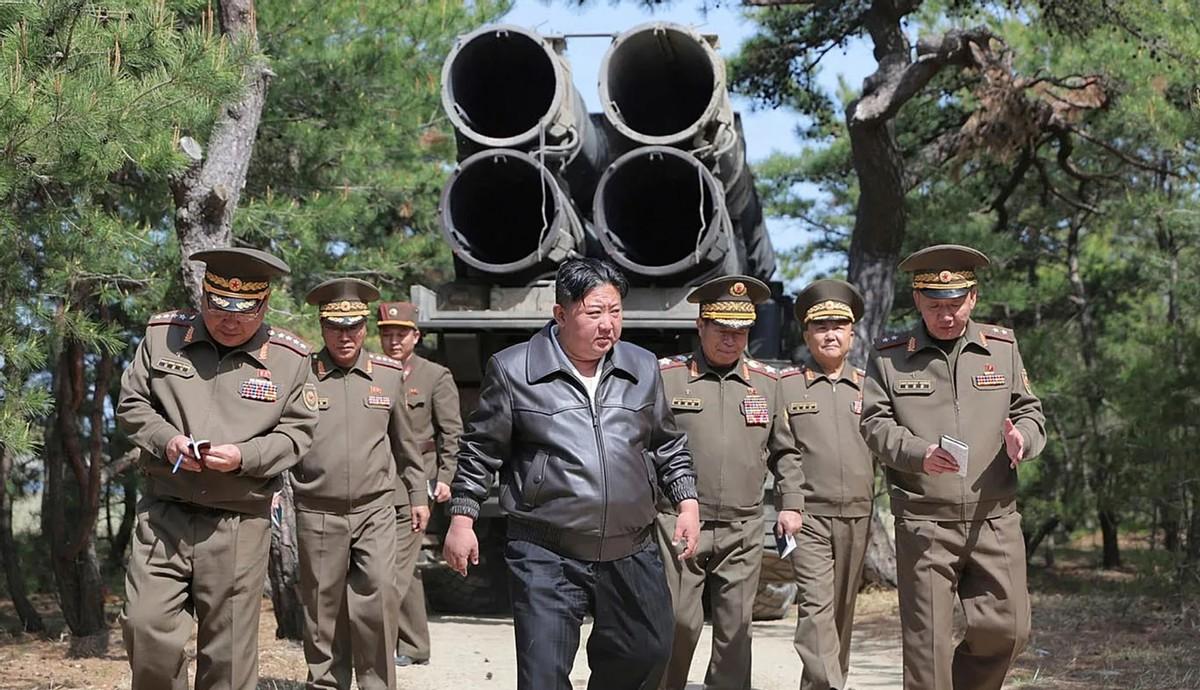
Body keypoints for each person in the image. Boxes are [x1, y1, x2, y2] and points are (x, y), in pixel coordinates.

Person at [444, 258, 701, 690]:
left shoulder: (641, 366)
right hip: (547, 551)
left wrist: (687, 502)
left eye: (615, 311)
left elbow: (666, 443)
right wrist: (462, 518)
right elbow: (480, 449)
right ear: (560, 314)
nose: (608, 324)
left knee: (647, 653)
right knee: (543, 674)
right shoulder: (514, 369)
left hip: (631, 547)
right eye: (594, 312)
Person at [117, 247, 318, 690]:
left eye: (243, 312)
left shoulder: (290, 358)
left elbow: (297, 435)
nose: (229, 321)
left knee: (227, 657)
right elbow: (132, 405)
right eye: (218, 307)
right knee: (145, 627)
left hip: (238, 523)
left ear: (264, 305)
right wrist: (166, 441)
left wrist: (245, 457)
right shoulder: (163, 336)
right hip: (165, 514)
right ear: (204, 296)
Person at [860, 244, 1047, 690]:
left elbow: (1030, 411)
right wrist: (918, 453)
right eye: (934, 306)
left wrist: (1023, 439)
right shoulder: (889, 356)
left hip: (994, 517)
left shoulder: (1001, 348)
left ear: (973, 298)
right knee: (927, 650)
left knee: (1009, 630)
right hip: (924, 522)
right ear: (917, 301)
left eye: (955, 304)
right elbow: (873, 423)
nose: (945, 316)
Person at [655, 275, 799, 690]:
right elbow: (645, 444)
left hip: (742, 526)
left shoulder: (767, 383)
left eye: (741, 331)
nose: (731, 340)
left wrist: (791, 504)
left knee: (735, 630)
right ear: (700, 325)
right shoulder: (667, 377)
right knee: (679, 622)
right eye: (722, 330)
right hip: (680, 523)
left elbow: (786, 451)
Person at [293, 278, 427, 690]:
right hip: (318, 510)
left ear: (365, 328)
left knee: (381, 596)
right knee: (323, 611)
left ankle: (377, 684)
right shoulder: (301, 373)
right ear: (322, 327)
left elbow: (405, 442)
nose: (345, 336)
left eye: (353, 327)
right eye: (335, 327)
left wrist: (418, 495)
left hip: (375, 510)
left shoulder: (387, 374)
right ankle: (326, 684)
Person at [779, 279, 875, 690]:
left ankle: (822, 684)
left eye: (839, 326)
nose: (830, 334)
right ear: (807, 335)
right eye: (821, 327)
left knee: (840, 614)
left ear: (852, 334)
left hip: (859, 515)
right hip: (809, 517)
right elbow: (783, 451)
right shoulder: (786, 386)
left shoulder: (872, 388)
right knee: (816, 610)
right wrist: (790, 503)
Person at [377, 301, 463, 667]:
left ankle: (375, 645)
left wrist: (445, 477)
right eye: (387, 334)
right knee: (405, 565)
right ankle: (414, 646)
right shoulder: (372, 371)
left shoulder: (434, 375)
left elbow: (451, 432)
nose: (394, 341)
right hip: (378, 478)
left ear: (416, 336)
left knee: (393, 569)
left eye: (401, 334)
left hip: (417, 482)